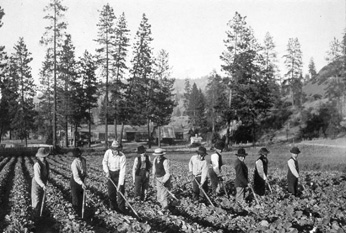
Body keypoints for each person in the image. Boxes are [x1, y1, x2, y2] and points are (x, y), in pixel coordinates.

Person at [102, 140, 126, 213]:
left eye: (117, 149)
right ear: (111, 149)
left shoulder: (122, 156)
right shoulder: (108, 153)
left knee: (120, 193)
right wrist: (107, 171)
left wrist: (120, 184)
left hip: (119, 174)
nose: (115, 151)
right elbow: (104, 162)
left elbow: (123, 171)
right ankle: (113, 209)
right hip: (110, 173)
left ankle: (121, 210)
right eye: (114, 149)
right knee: (111, 193)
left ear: (119, 149)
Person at [31, 147, 50, 216]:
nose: (43, 158)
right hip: (36, 183)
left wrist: (45, 183)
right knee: (36, 199)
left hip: (43, 182)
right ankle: (35, 215)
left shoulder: (46, 163)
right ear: (38, 157)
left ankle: (41, 214)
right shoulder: (37, 165)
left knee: (42, 198)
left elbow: (47, 174)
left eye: (45, 157)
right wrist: (43, 185)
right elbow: (37, 177)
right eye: (42, 157)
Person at [70, 147, 87, 216]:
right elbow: (76, 176)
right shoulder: (74, 163)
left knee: (82, 197)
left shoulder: (83, 160)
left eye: (79, 155)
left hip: (82, 179)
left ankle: (81, 213)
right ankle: (76, 214)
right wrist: (82, 183)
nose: (79, 156)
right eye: (77, 155)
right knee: (76, 198)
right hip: (75, 182)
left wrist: (85, 174)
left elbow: (84, 169)